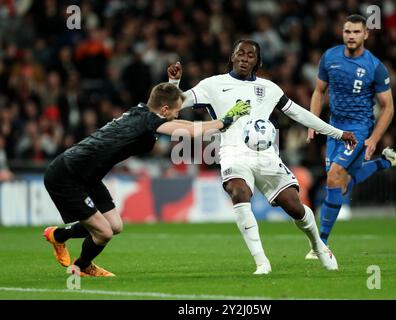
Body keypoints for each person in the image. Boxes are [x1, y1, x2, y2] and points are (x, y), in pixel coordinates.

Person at [167, 39, 357, 274]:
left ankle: (319, 245)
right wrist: (174, 82)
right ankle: (261, 262)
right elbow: (174, 105)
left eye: (250, 55)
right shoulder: (213, 85)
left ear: (257, 62)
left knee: (294, 207)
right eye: (240, 53)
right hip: (232, 151)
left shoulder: (269, 89)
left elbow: (300, 114)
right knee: (238, 192)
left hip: (266, 155)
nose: (244, 58)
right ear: (232, 57)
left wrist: (338, 133)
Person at [43, 83, 250, 277]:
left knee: (115, 226)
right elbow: (189, 130)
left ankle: (59, 235)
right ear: (165, 109)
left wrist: (174, 82)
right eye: (176, 110)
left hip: (89, 175)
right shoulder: (148, 121)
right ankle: (81, 266)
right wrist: (225, 121)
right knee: (104, 233)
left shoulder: (143, 111)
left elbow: (174, 113)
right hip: (67, 175)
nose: (178, 115)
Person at [305, 14, 396, 259]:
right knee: (339, 185)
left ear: (366, 34)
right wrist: (312, 121)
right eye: (347, 32)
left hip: (358, 129)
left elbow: (389, 107)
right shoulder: (330, 57)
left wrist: (372, 138)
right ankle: (384, 162)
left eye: (356, 32)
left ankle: (321, 244)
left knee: (333, 177)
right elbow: (319, 91)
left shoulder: (374, 66)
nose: (351, 36)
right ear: (343, 33)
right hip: (334, 128)